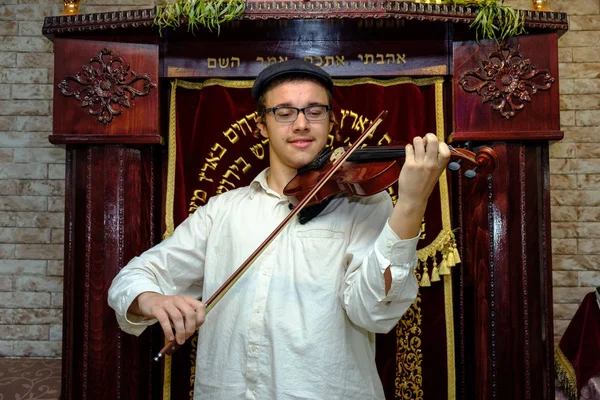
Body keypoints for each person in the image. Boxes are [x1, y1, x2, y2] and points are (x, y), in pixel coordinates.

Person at [108, 59, 451, 399]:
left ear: (331, 121)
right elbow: (131, 279)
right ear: (261, 126)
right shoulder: (223, 211)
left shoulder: (365, 205)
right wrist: (151, 299)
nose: (301, 124)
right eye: (284, 112)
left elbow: (375, 312)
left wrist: (411, 205)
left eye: (314, 111)